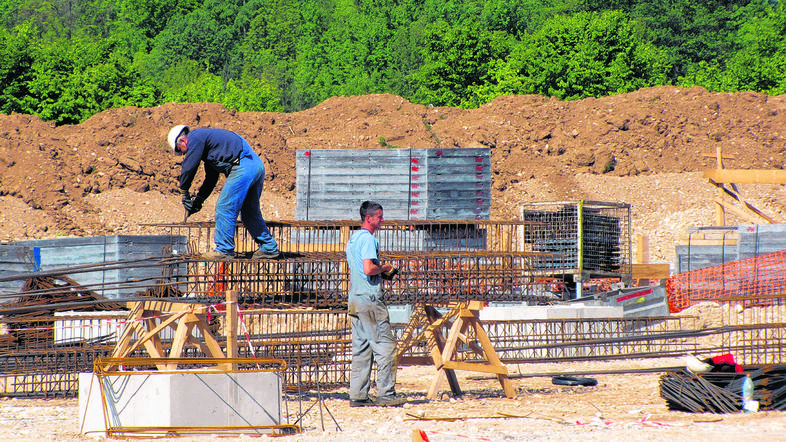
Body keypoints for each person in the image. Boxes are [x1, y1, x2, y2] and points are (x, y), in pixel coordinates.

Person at [167, 125, 280, 259]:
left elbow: (189, 166)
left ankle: (224, 250)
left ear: (182, 141)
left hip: (243, 166)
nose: (183, 155)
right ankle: (269, 247)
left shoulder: (195, 137)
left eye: (180, 151)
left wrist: (184, 190)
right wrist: (199, 201)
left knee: (225, 207)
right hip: (255, 166)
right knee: (249, 212)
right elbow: (211, 179)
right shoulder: (211, 147)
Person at [345, 201, 405, 407]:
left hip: (354, 299)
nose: (382, 220)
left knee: (361, 348)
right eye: (379, 216)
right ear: (368, 218)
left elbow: (360, 269)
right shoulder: (369, 239)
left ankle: (358, 395)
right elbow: (369, 269)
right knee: (386, 346)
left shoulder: (353, 239)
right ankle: (386, 393)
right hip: (370, 301)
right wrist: (384, 267)